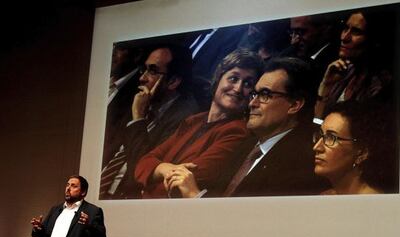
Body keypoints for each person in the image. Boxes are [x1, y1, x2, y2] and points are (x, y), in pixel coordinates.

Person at [164, 57, 330, 198]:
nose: (252, 103)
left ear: (294, 104)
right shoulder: (246, 145)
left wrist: (195, 196)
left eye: (264, 95)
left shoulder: (303, 161)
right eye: (254, 94)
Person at [134, 49, 264, 198]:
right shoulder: (193, 120)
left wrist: (153, 175)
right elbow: (142, 163)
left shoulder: (239, 131)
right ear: (218, 80)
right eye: (233, 79)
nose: (238, 88)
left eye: (248, 84)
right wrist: (165, 169)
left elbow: (190, 180)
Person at [100, 44, 201, 199]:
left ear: (173, 81)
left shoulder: (185, 119)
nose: (142, 77)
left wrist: (138, 118)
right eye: (144, 69)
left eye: (152, 71)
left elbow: (141, 169)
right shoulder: (143, 99)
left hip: (126, 199)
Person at [314, 6, 399, 119]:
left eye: (356, 31)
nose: (344, 37)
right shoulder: (345, 71)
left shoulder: (381, 85)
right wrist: (325, 86)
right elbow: (318, 121)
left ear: (374, 40)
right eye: (345, 28)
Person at [313, 101, 397, 194]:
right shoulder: (329, 196)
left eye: (331, 138)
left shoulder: (372, 203)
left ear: (362, 153)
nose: (316, 147)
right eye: (321, 135)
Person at [31, 175, 106, 237]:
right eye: (67, 185)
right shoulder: (55, 209)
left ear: (83, 192)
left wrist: (89, 225)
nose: (68, 188)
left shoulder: (93, 211)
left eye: (74, 186)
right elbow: (43, 236)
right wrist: (38, 229)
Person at [279, 13, 339, 83]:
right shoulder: (292, 54)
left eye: (301, 32)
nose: (294, 41)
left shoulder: (331, 64)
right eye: (292, 32)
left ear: (324, 30)